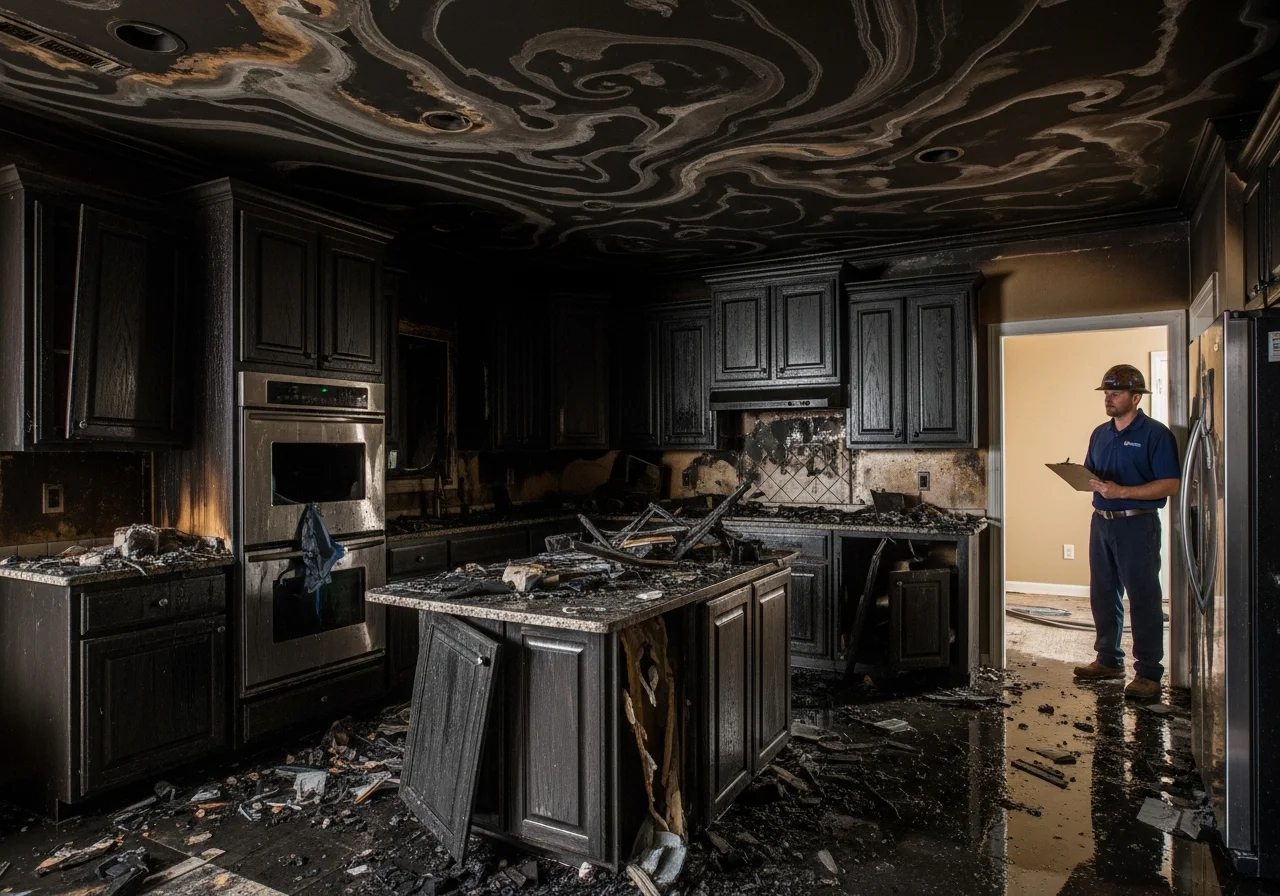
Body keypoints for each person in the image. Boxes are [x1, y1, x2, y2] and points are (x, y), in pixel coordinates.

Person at [1072, 364, 1180, 699]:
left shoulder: (1156, 435)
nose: (1109, 398)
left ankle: (1148, 673)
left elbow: (1170, 484)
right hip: (1101, 522)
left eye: (1115, 393)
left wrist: (1122, 492)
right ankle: (1108, 660)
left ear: (1136, 397)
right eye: (1106, 393)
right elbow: (1095, 472)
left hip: (1137, 523)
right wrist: (1080, 477)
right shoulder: (1100, 433)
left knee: (1143, 598)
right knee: (1103, 593)